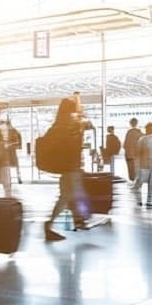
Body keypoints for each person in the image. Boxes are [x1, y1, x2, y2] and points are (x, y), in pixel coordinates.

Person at [44, 97, 109, 242]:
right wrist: (82, 116)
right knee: (75, 193)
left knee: (66, 196)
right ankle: (80, 220)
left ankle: (75, 221)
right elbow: (89, 125)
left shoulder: (58, 125)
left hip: (65, 166)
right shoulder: (72, 125)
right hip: (71, 166)